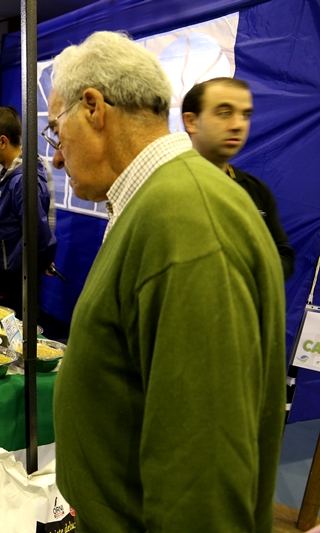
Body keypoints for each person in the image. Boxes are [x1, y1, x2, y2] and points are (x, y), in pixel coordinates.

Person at [48, 32, 285, 533]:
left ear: (93, 108)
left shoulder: (186, 218)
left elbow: (203, 468)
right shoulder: (154, 201)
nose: (56, 157)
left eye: (55, 133)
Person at [182, 77, 294, 279]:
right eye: (225, 113)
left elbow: (283, 254)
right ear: (191, 121)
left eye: (246, 115)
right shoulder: (161, 184)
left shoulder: (256, 190)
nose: (238, 125)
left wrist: (251, 272)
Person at [0, 107, 57, 317]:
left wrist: (42, 259)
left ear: (2, 141)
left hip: (15, 279)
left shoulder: (22, 180)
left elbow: (38, 230)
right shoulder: (10, 172)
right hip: (4, 272)